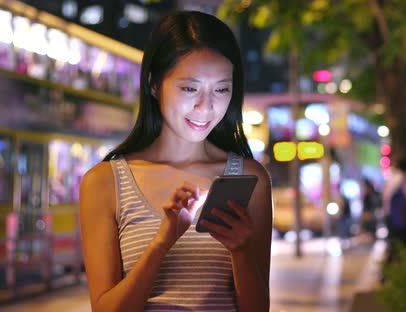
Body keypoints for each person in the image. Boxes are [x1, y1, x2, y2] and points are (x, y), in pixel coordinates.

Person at [79, 11, 273, 311]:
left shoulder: (248, 179)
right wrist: (162, 242)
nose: (205, 106)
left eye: (221, 89)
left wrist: (241, 250)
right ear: (154, 85)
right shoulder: (104, 182)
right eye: (190, 88)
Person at [380, 159, 406, 260]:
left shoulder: (395, 177)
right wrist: (388, 212)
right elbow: (387, 196)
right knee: (399, 242)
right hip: (399, 218)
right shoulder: (400, 178)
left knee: (397, 242)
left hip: (397, 217)